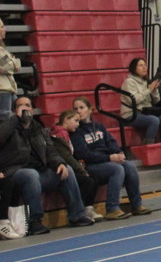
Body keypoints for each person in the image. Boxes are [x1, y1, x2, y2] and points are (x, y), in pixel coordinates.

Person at [0, 96, 94, 235]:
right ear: (15, 110)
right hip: (16, 171)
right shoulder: (8, 127)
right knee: (31, 174)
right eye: (21, 106)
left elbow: (51, 150)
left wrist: (59, 163)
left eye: (28, 105)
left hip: (40, 171)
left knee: (66, 169)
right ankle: (35, 221)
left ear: (32, 110)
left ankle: (77, 215)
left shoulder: (38, 128)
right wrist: (15, 119)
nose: (25, 108)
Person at [70, 97, 151, 220]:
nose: (78, 111)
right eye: (75, 109)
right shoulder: (75, 130)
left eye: (81, 108)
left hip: (106, 161)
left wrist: (118, 153)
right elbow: (84, 154)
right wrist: (109, 157)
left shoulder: (99, 126)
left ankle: (136, 205)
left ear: (90, 109)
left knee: (129, 166)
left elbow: (110, 142)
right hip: (90, 165)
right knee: (117, 169)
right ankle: (112, 208)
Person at [50, 109, 102, 222]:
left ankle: (88, 207)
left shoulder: (66, 133)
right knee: (87, 180)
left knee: (94, 177)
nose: (78, 124)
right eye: (76, 121)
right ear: (66, 120)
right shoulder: (59, 135)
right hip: (61, 168)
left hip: (70, 166)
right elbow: (66, 157)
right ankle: (78, 210)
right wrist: (82, 171)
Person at [121, 57, 161, 144]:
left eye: (145, 65)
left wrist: (154, 90)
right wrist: (149, 90)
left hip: (145, 112)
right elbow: (134, 101)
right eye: (141, 65)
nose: (144, 67)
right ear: (134, 68)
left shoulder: (146, 81)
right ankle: (148, 146)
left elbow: (157, 100)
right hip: (131, 114)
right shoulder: (129, 82)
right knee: (154, 120)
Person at [0, 17, 19, 119]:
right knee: (5, 118)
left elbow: (13, 65)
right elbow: (7, 66)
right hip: (3, 90)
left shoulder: (2, 49)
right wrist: (13, 61)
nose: (5, 29)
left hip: (8, 88)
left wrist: (13, 62)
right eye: (2, 27)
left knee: (17, 113)